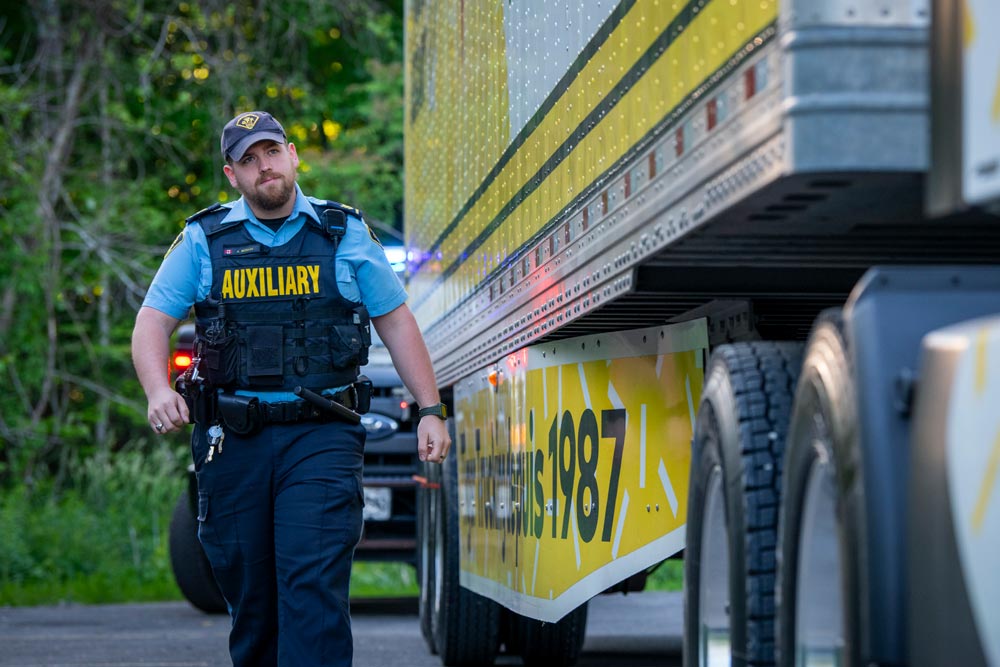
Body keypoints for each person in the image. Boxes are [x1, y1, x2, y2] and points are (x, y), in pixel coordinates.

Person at [131, 110, 451, 667]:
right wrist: (159, 390)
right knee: (252, 603)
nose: (265, 167)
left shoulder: (342, 232)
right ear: (232, 175)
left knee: (313, 590)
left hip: (321, 436)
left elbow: (395, 320)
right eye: (248, 160)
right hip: (233, 442)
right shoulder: (204, 240)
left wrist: (430, 408)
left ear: (293, 154)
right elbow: (152, 321)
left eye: (271, 152)